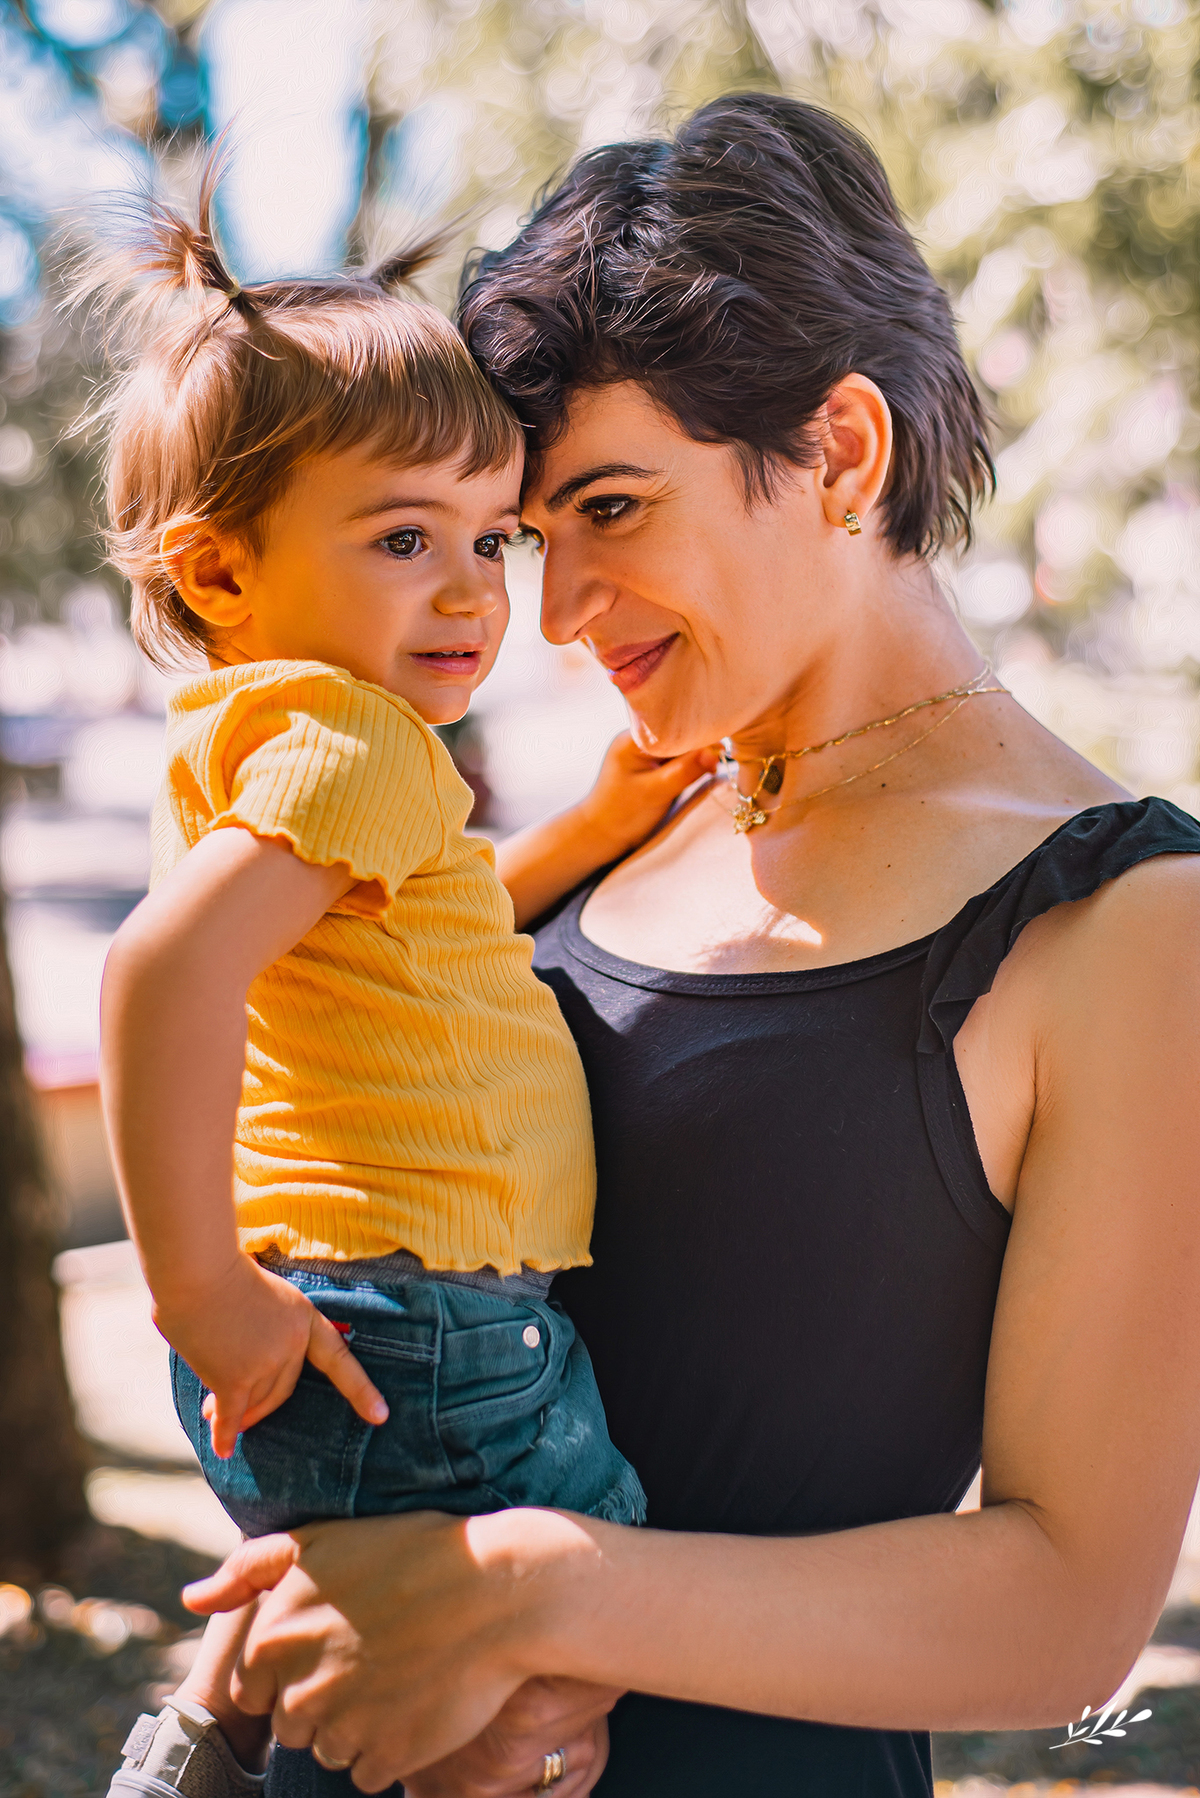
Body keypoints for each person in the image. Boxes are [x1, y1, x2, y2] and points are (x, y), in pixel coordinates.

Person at [182, 94, 1200, 1798]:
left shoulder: (1124, 923)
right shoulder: (610, 819)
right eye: (528, 535)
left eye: (614, 509)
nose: (555, 611)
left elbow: (1071, 1606)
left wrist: (518, 1597)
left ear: (843, 453)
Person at [92, 168, 714, 1798]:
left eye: (490, 536)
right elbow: (159, 972)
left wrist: (590, 826)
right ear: (219, 573)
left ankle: (206, 1732)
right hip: (415, 1314)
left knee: (401, 1636)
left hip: (371, 1308)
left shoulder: (281, 742)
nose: (471, 591)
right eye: (401, 536)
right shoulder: (356, 736)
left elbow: (421, 951)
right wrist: (199, 1288)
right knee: (563, 1653)